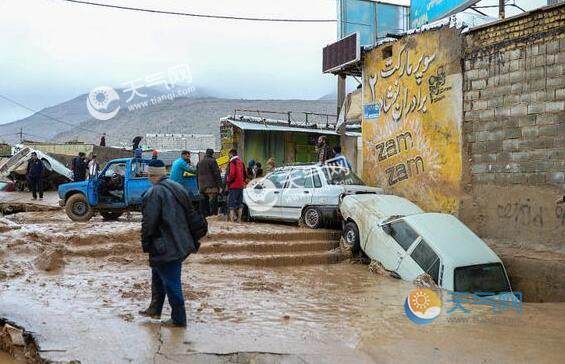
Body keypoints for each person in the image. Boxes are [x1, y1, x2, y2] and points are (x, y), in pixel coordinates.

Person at [139, 159, 197, 327]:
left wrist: (145, 244)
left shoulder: (154, 193)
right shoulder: (177, 187)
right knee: (158, 275)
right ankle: (155, 309)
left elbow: (148, 223)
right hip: (180, 241)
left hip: (165, 245)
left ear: (151, 175)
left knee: (171, 282)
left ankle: (179, 320)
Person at [196, 148, 222, 216]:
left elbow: (197, 174)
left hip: (202, 186)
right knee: (213, 204)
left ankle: (205, 217)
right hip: (211, 186)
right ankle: (213, 218)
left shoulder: (199, 162)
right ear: (212, 154)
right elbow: (217, 173)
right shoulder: (212, 161)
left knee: (204, 204)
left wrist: (198, 186)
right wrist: (220, 185)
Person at [226, 148, 246, 222]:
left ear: (231, 154)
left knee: (231, 204)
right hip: (241, 186)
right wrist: (242, 182)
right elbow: (244, 174)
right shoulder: (241, 162)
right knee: (240, 204)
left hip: (233, 186)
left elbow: (232, 174)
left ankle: (232, 221)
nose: (229, 156)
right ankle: (239, 219)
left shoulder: (232, 162)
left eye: (229, 154)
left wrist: (228, 181)